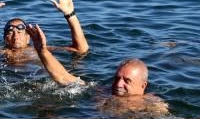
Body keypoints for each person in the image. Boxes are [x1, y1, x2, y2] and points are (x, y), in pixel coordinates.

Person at [25, 24, 168, 114]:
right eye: (117, 78)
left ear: (143, 86)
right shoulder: (101, 91)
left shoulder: (153, 105)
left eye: (127, 81)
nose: (118, 84)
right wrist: (42, 51)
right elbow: (63, 77)